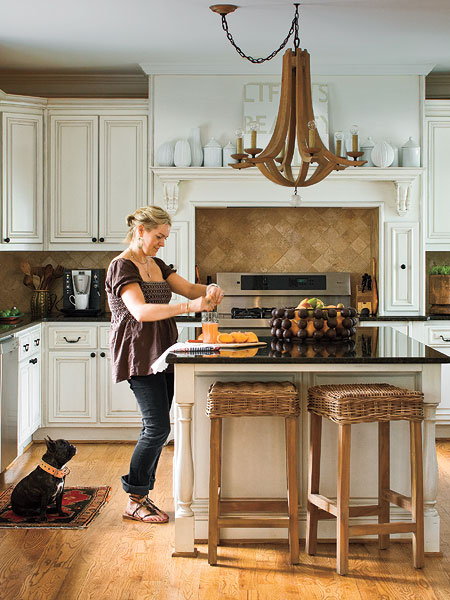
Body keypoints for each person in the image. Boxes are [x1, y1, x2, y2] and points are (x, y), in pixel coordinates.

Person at [105, 205, 224, 523]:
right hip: (140, 352)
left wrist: (209, 290)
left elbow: (188, 289)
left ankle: (141, 496)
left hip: (164, 351)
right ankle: (135, 499)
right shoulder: (122, 267)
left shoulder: (156, 264)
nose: (162, 243)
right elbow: (141, 312)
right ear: (140, 231)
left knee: (158, 428)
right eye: (158, 236)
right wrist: (189, 306)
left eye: (165, 237)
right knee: (157, 427)